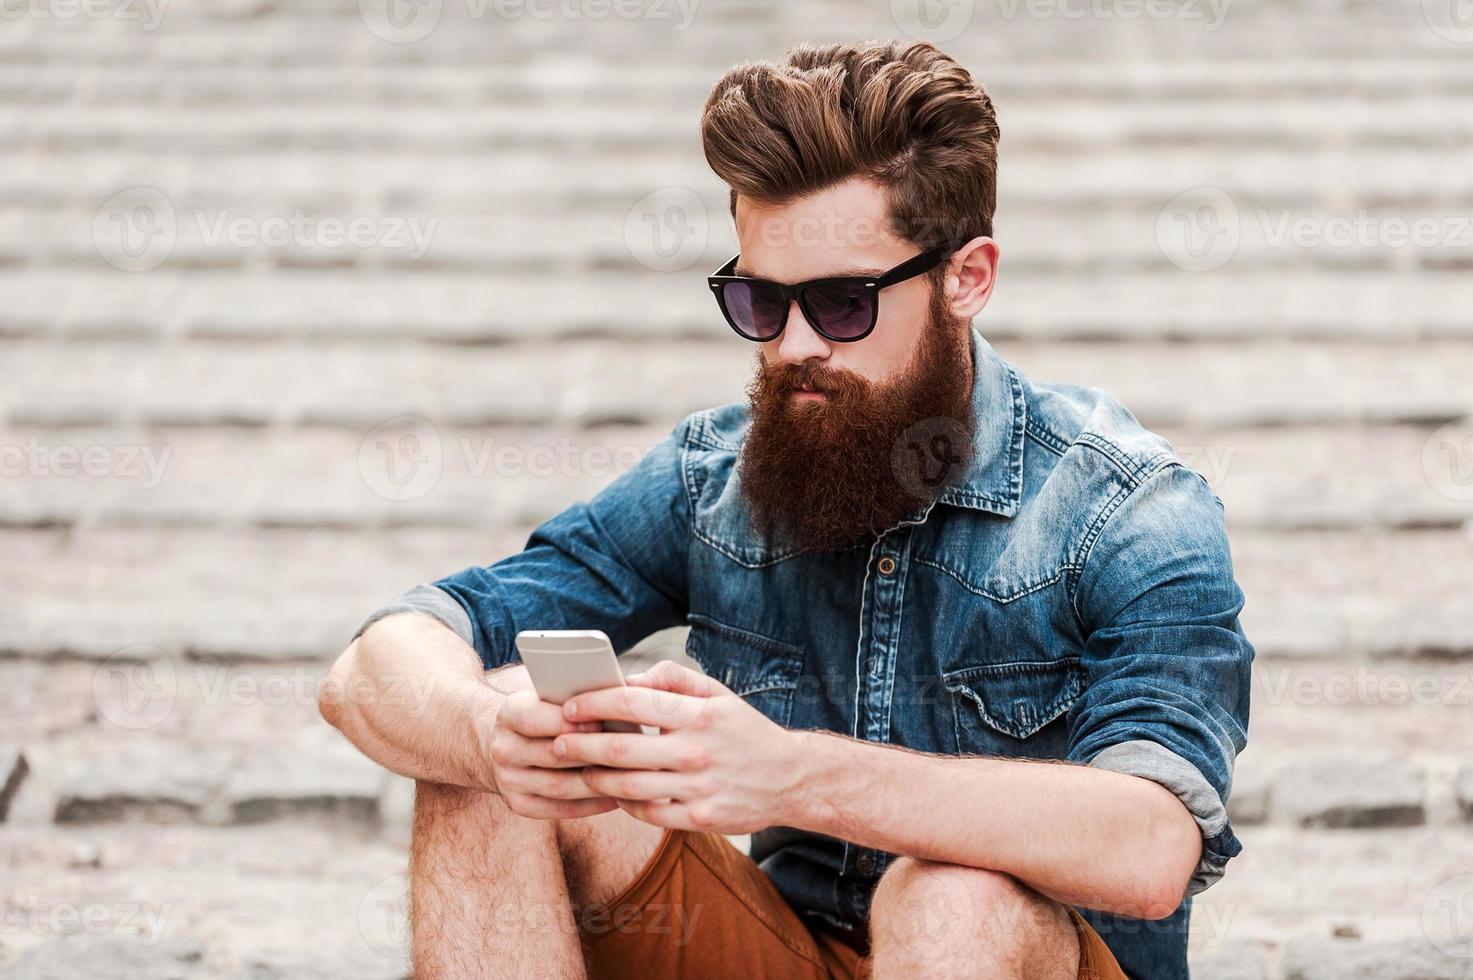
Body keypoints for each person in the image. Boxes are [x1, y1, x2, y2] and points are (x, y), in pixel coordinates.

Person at [321, 39, 1252, 980]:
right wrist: (487, 739)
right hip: (782, 949)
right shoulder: (712, 477)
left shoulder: (1126, 508)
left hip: (1016, 956)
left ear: (966, 277)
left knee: (953, 897)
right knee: (505, 739)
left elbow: (1149, 849)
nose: (793, 345)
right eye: (761, 301)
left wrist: (788, 774)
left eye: (843, 303)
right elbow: (377, 661)